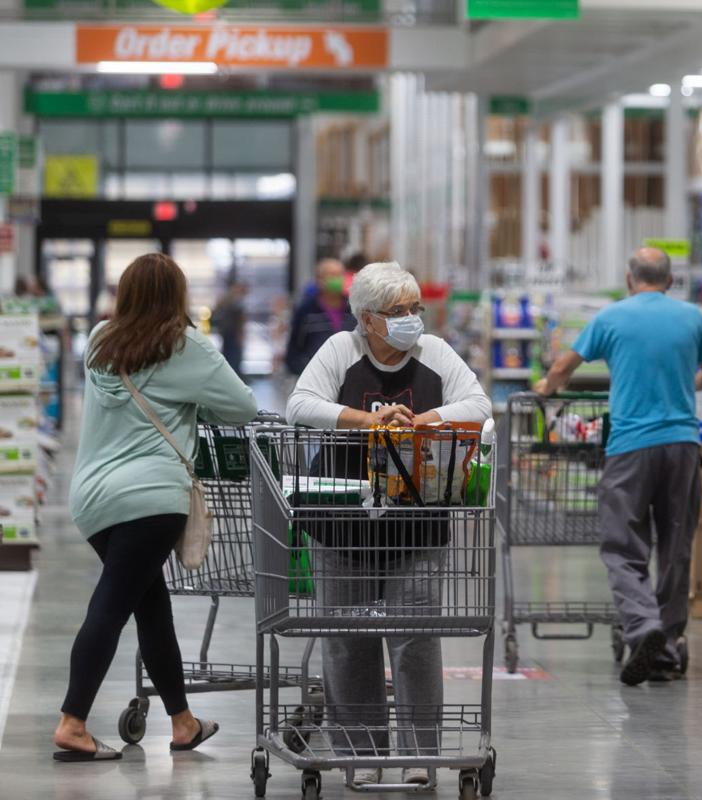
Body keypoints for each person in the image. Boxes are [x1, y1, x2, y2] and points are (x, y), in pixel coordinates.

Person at [286, 260, 489, 788]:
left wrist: (424, 420)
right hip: (342, 525)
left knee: (415, 637)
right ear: (368, 319)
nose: (410, 319)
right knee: (346, 638)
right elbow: (300, 405)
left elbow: (479, 405)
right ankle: (360, 755)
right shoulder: (340, 351)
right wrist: (368, 420)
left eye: (414, 308)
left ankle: (422, 756)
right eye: (397, 311)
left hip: (416, 523)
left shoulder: (435, 354)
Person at [56, 253, 258, 762]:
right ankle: (73, 722)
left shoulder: (100, 340)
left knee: (151, 604)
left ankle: (183, 721)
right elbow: (244, 406)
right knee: (113, 604)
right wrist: (196, 401)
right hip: (151, 499)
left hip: (93, 497)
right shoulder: (184, 344)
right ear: (177, 296)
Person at [535, 247, 702, 687]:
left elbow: (565, 366)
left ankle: (643, 626)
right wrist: (685, 386)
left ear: (628, 278)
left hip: (631, 447)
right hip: (681, 444)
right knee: (676, 546)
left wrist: (547, 387)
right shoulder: (693, 317)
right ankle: (668, 643)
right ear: (671, 280)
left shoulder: (611, 317)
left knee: (623, 546)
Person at [284, 258, 356, 376]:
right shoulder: (306, 310)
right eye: (333, 275)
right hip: (315, 381)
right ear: (320, 280)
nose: (338, 279)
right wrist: (307, 372)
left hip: (350, 380)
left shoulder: (354, 309)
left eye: (340, 275)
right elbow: (293, 351)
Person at [211, 279, 248, 378]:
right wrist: (241, 334)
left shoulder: (227, 299)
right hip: (231, 333)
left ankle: (230, 376)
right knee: (233, 357)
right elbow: (240, 320)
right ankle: (234, 377)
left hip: (227, 332)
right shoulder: (234, 301)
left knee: (230, 356)